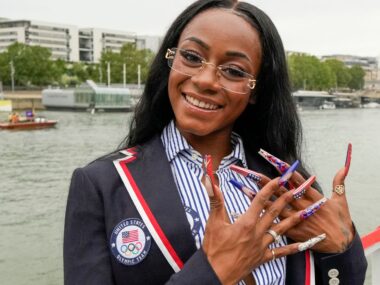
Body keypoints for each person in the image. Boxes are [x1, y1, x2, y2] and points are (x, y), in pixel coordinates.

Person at [64, 1, 367, 284]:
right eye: (192, 57)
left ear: (256, 91)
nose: (206, 80)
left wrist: (342, 245)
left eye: (234, 71)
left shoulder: (286, 184)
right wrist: (212, 272)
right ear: (170, 60)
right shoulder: (102, 185)